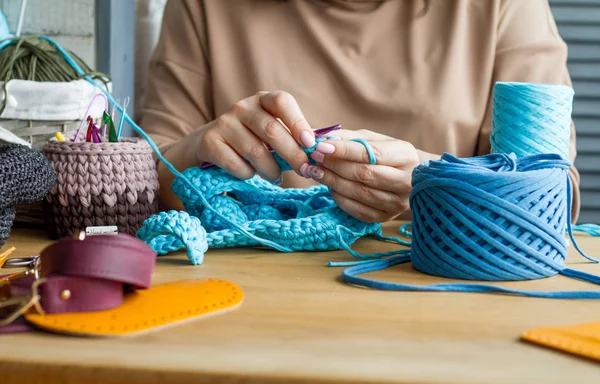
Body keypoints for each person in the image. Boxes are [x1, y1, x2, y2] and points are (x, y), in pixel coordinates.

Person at [138, 0, 580, 223]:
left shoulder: (502, 7)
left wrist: (437, 186)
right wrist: (200, 150)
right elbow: (141, 180)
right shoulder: (205, 7)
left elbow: (553, 195)